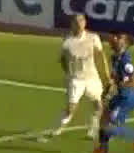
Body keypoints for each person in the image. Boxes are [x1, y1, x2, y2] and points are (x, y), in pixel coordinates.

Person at [42, 13, 106, 141]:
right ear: (72, 24)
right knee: (71, 107)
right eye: (76, 21)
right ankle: (57, 129)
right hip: (76, 79)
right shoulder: (67, 41)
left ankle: (92, 130)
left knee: (98, 105)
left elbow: (100, 55)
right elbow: (62, 60)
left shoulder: (93, 38)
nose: (79, 23)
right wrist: (69, 73)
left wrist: (106, 75)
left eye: (81, 21)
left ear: (85, 23)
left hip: (92, 77)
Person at [94, 31, 134, 153]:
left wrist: (121, 85)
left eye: (118, 38)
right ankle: (103, 150)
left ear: (124, 44)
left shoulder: (125, 60)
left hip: (126, 98)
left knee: (109, 127)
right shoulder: (115, 58)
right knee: (103, 120)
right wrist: (106, 91)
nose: (114, 38)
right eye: (115, 36)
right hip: (119, 96)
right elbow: (114, 77)